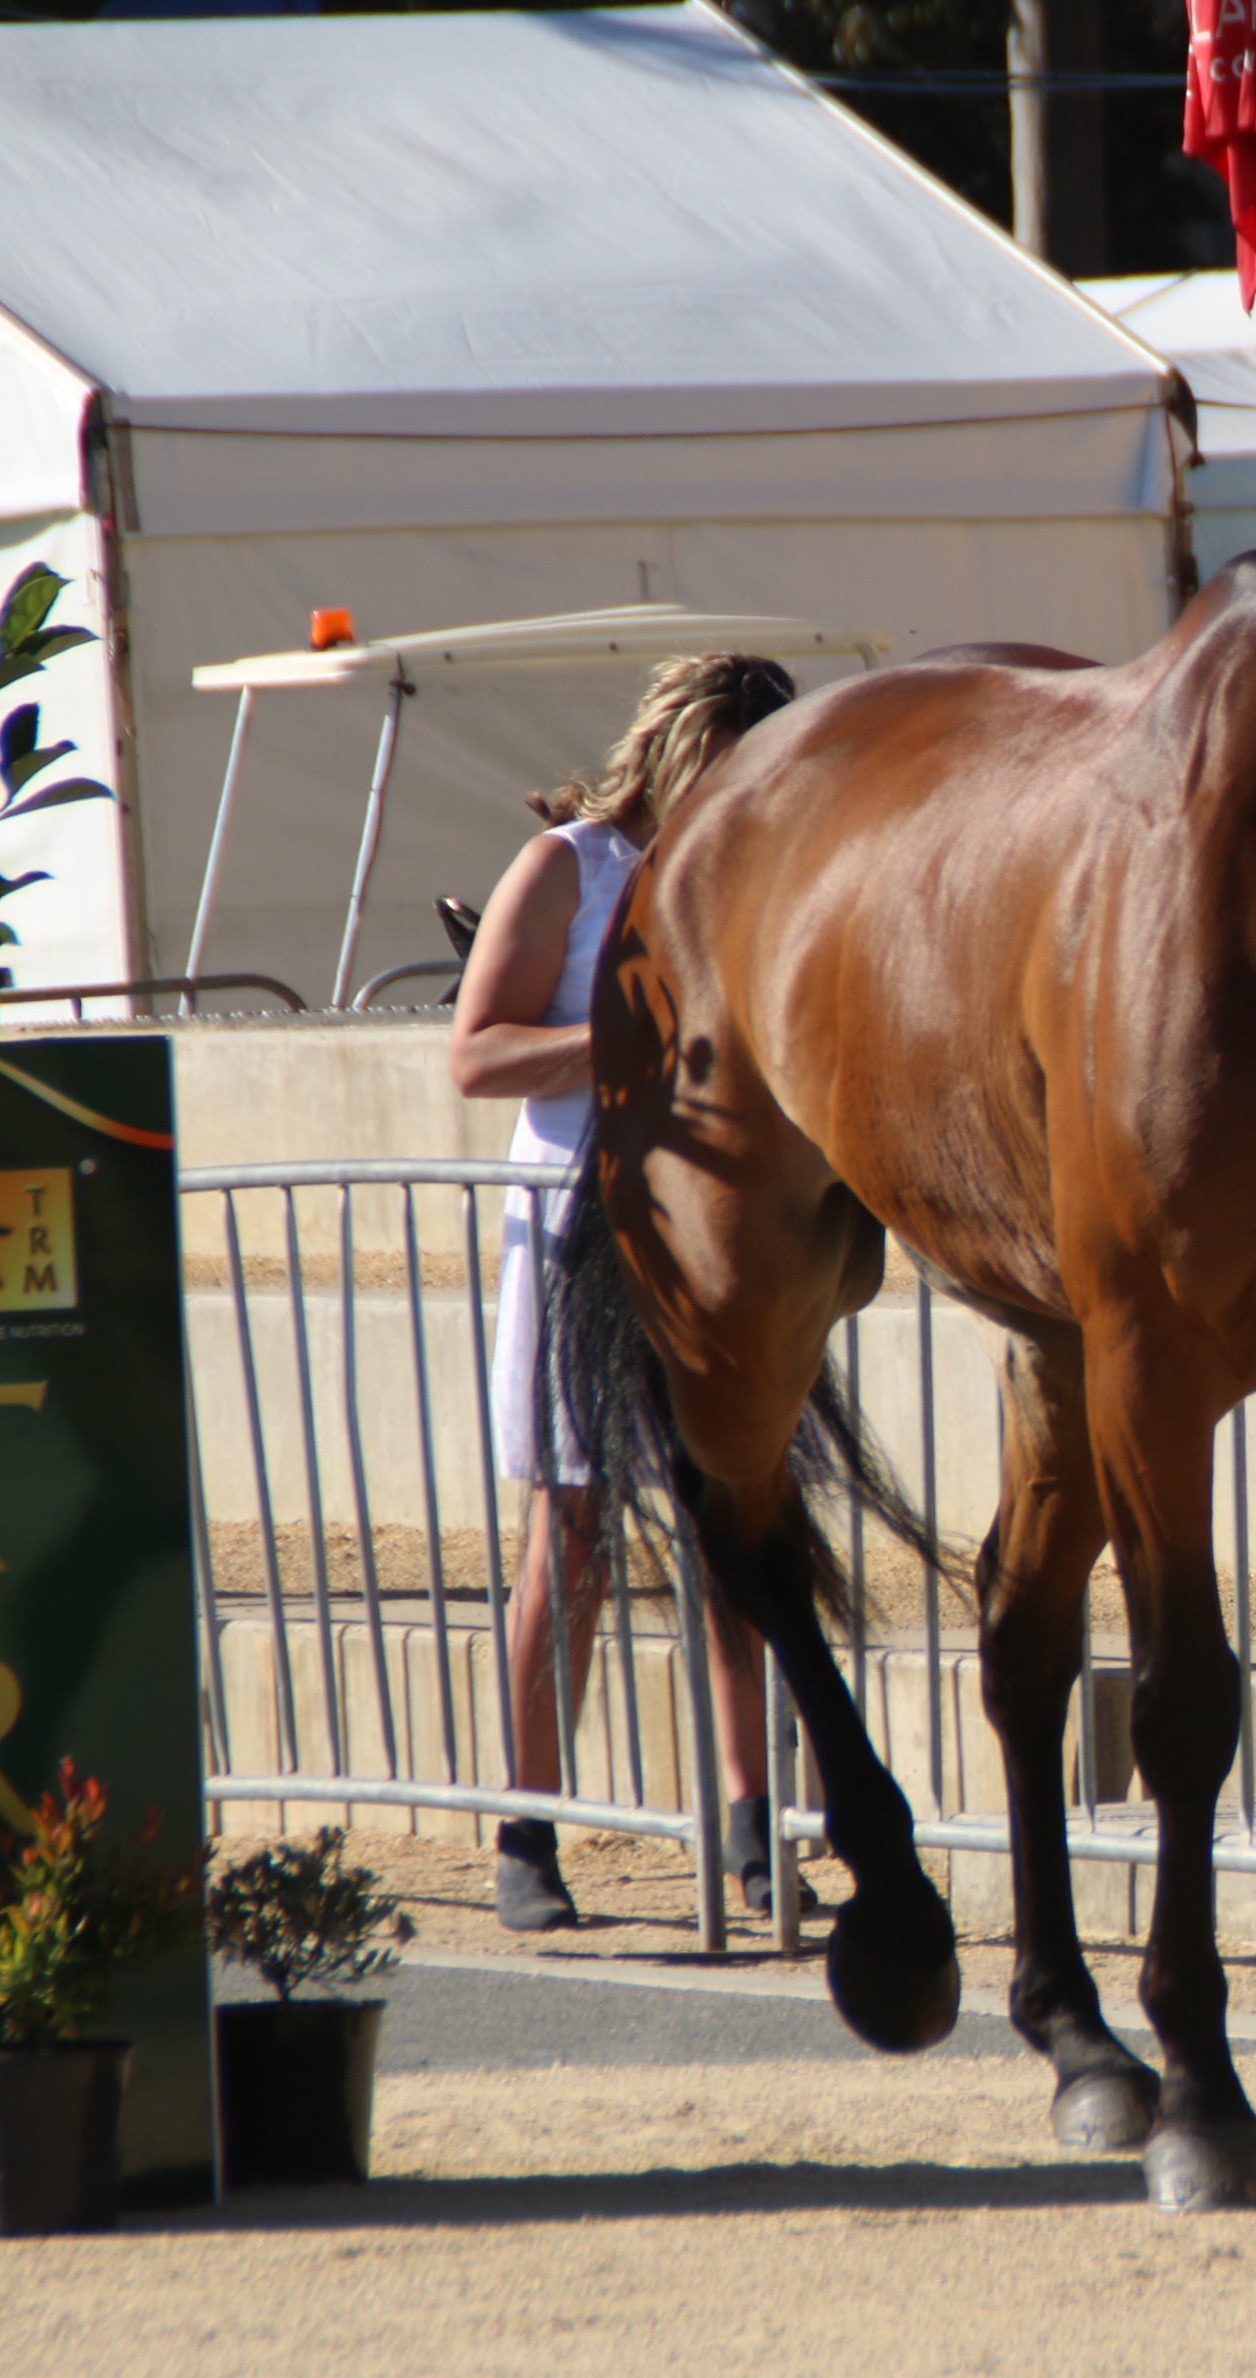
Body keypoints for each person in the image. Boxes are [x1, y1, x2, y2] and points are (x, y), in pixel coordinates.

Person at [450, 653, 802, 1932]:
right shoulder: (570, 865)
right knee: (574, 1524)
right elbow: (477, 1051)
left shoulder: (755, 866)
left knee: (734, 1518)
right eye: (733, 768)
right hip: (574, 1220)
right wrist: (629, 1043)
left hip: (713, 1233)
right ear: (678, 753)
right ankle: (528, 1826)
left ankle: (757, 1824)